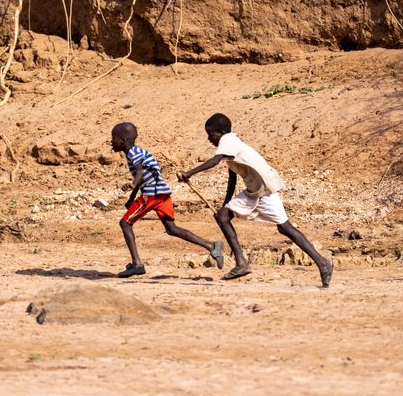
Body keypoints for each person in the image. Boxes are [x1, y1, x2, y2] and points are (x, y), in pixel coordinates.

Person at [179, 113, 333, 288]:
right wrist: (225, 204)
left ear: (221, 132)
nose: (209, 139)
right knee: (222, 216)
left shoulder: (228, 141)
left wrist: (189, 172)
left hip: (265, 190)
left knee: (285, 228)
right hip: (255, 190)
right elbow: (232, 178)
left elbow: (214, 161)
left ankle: (323, 263)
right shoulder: (230, 146)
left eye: (211, 134)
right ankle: (241, 263)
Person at [110, 122, 224, 278]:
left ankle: (137, 264)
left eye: (113, 138)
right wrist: (131, 196)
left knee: (125, 223)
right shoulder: (138, 152)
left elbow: (140, 172)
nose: (111, 142)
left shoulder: (133, 153)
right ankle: (211, 246)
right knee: (172, 229)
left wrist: (132, 184)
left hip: (151, 195)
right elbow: (143, 173)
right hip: (162, 193)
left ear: (122, 140)